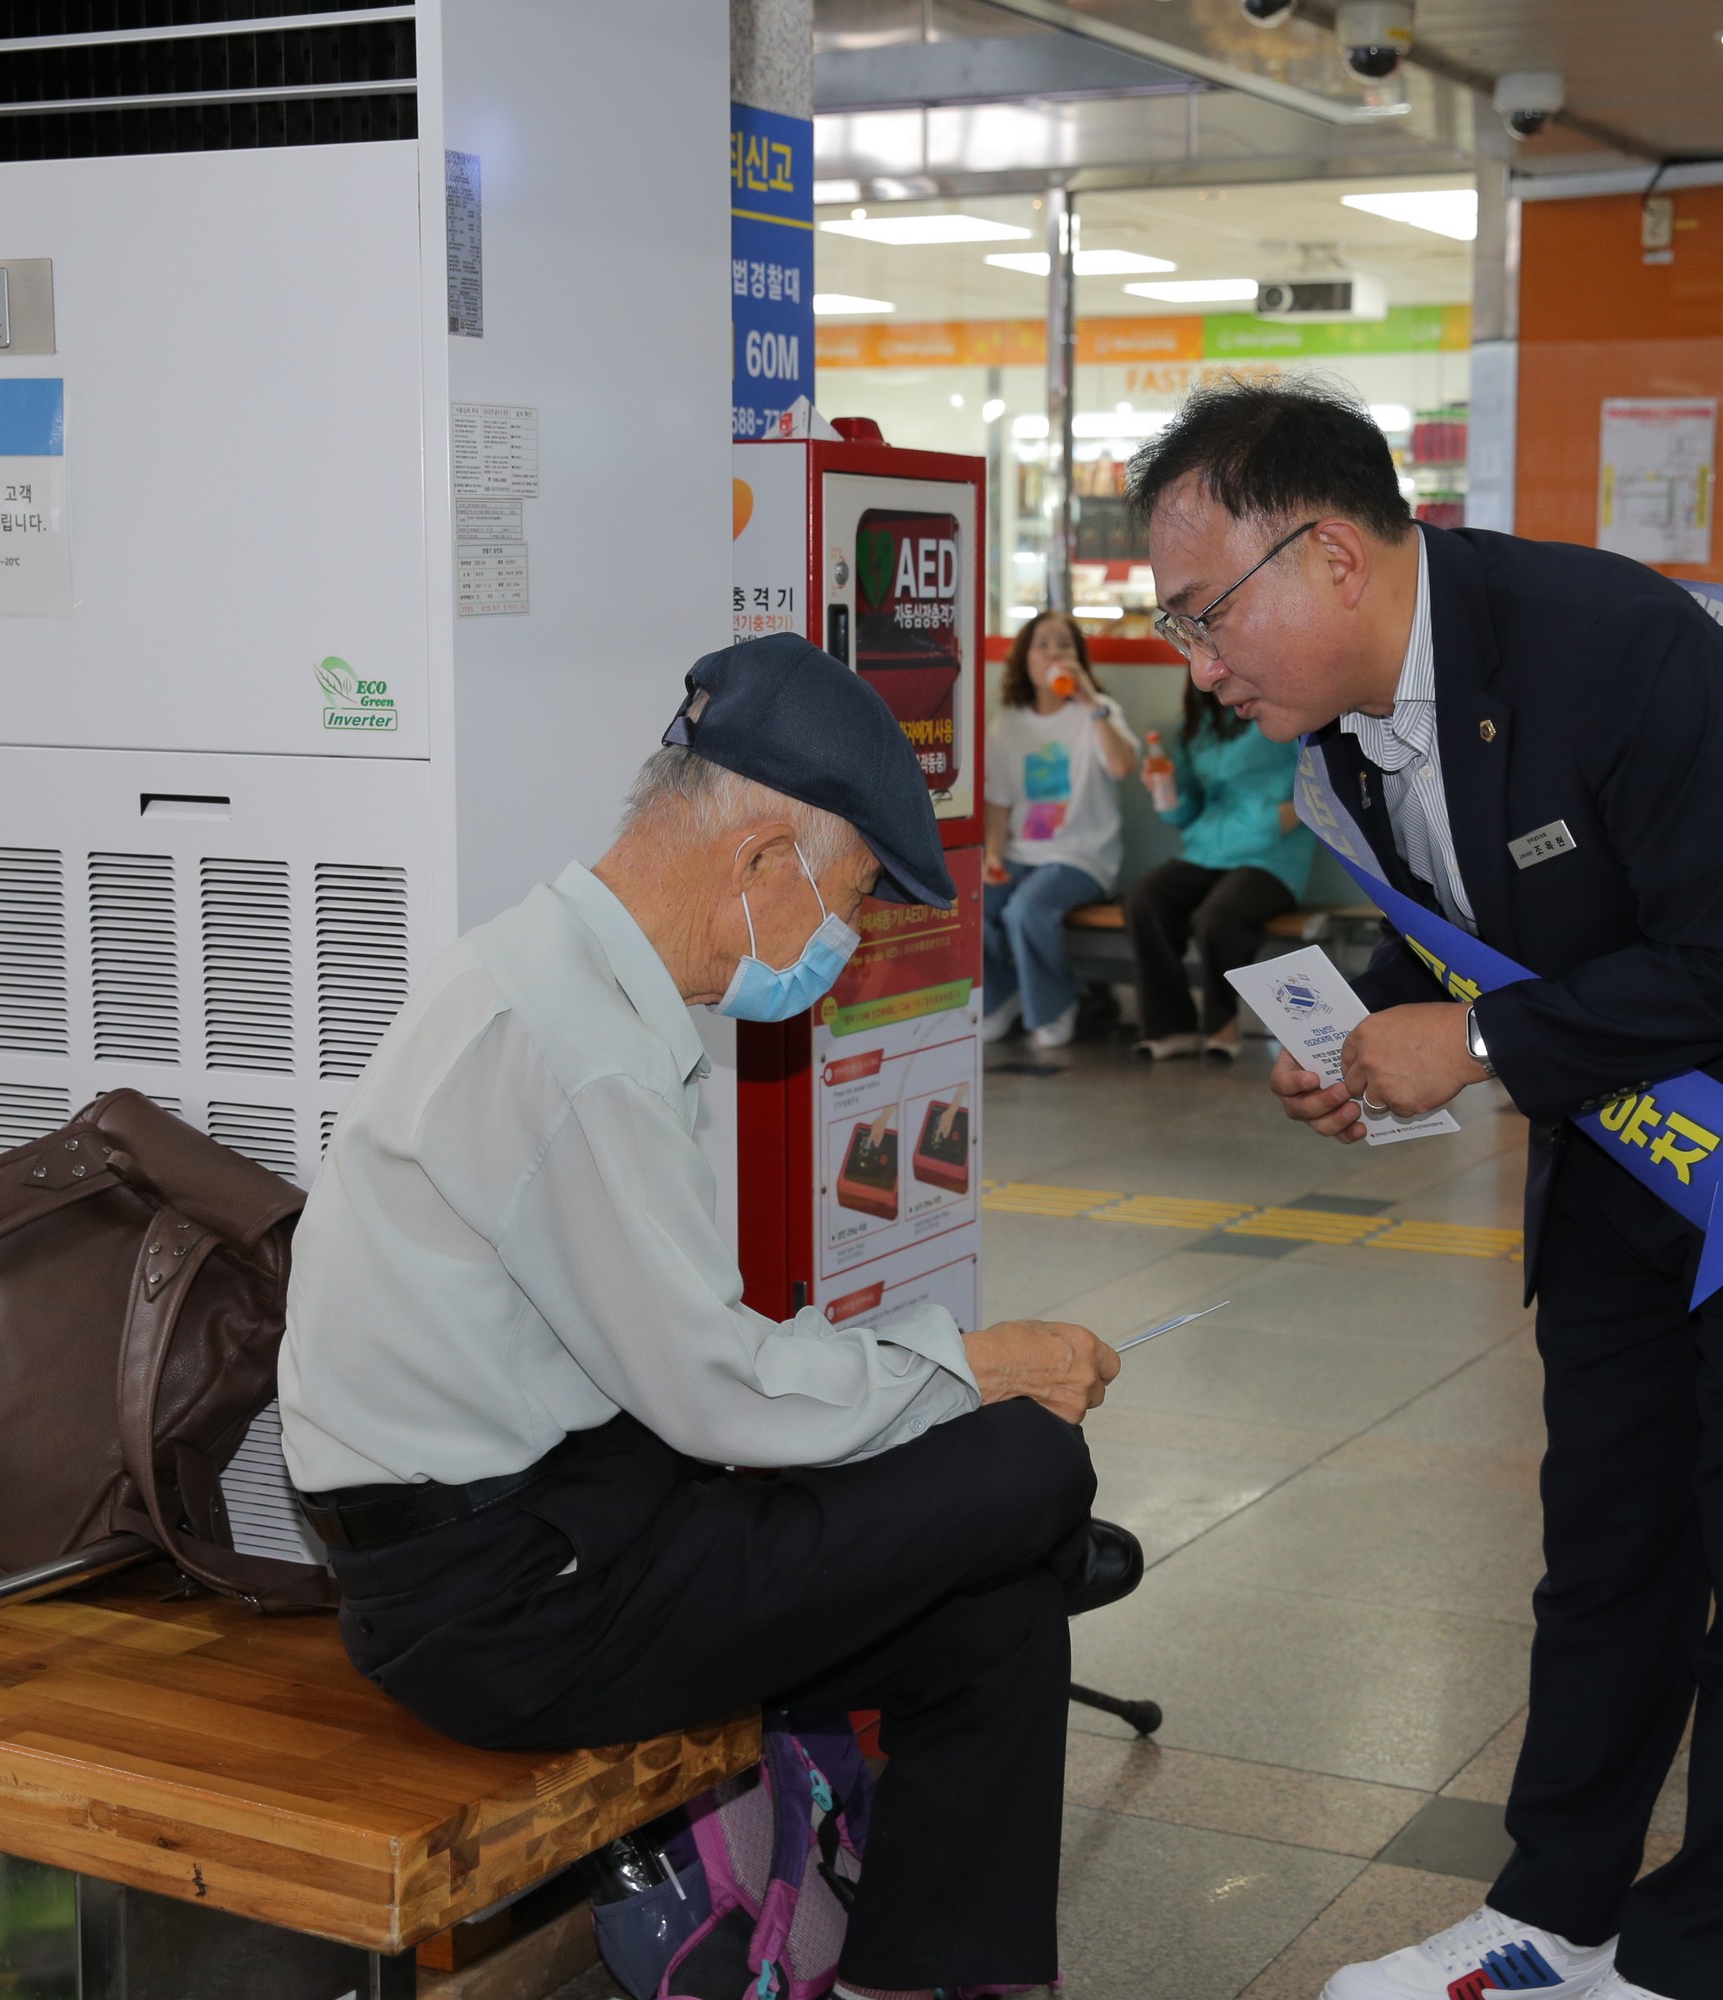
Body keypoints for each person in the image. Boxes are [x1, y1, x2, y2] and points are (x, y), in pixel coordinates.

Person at [1127, 378, 1723, 2000]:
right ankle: (1554, 1908)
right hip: (1623, 1131)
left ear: (1327, 558)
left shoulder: (1609, 647)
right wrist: (1368, 1021)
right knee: (1607, 1547)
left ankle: (1694, 1963)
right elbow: (1466, 911)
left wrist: (1464, 1044)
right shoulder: (1348, 731)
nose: (1197, 663)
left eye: (1204, 615)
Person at [277, 634, 1134, 2000]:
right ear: (758, 866)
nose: (843, 953)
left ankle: (919, 1979)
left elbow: (681, 1368)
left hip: (570, 1519)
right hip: (510, 1605)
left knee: (998, 1603)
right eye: (849, 899)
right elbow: (719, 1393)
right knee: (1027, 1465)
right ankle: (1041, 1530)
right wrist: (965, 1368)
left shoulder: (550, 974)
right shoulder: (570, 1049)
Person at [1124, 680, 1316, 1060]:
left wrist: (1278, 819)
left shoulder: (1289, 703)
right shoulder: (1198, 717)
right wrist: (1167, 794)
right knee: (1145, 900)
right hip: (1207, 848)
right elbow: (1188, 809)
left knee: (1217, 917)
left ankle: (1221, 1024)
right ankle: (1171, 1026)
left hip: (1272, 855)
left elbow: (1319, 783)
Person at [982, 610, 1137, 1049]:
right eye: (1043, 645)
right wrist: (992, 854)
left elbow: (1123, 764)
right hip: (1022, 852)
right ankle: (1004, 995)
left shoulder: (1099, 712)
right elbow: (999, 803)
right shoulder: (1008, 723)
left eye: (1065, 645)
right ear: (1024, 659)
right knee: (974, 905)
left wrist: (1090, 702)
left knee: (1025, 911)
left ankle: (1055, 1004)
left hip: (1082, 856)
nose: (1054, 653)